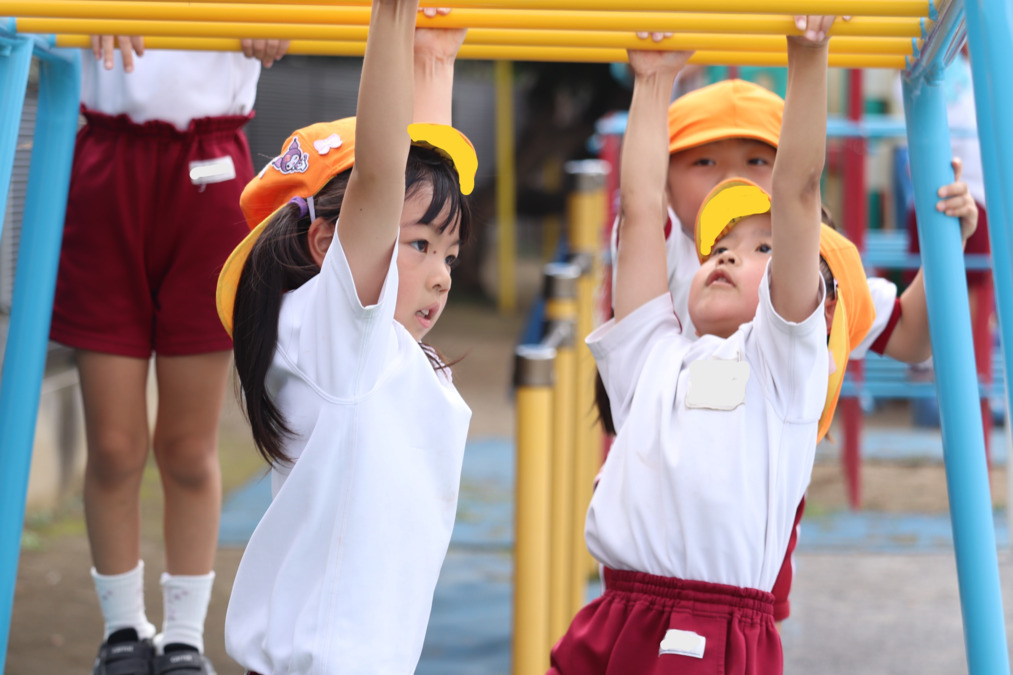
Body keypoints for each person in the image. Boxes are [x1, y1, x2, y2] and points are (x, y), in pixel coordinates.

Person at [598, 55, 980, 627]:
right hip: (657, 515)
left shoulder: (818, 272)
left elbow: (909, 335)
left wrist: (943, 240)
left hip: (751, 491)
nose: (736, 177)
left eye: (759, 161)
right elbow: (639, 206)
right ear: (669, 173)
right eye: (704, 161)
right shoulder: (673, 258)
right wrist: (652, 81)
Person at [549, 16, 852, 673]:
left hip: (707, 622)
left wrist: (807, 55)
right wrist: (652, 81)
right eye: (718, 247)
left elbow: (798, 194)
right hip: (612, 610)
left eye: (761, 249)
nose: (728, 257)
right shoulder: (652, 356)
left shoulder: (781, 366)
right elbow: (636, 210)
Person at [215, 2, 475, 673]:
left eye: (450, 254)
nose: (442, 276)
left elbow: (409, 173)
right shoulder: (333, 334)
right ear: (329, 242)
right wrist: (392, 16)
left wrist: (434, 58)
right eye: (420, 246)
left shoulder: (371, 348)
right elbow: (385, 174)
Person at [50, 33, 288, 675]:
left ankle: (183, 637)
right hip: (109, 163)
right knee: (114, 444)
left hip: (210, 169)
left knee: (187, 446)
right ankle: (121, 630)